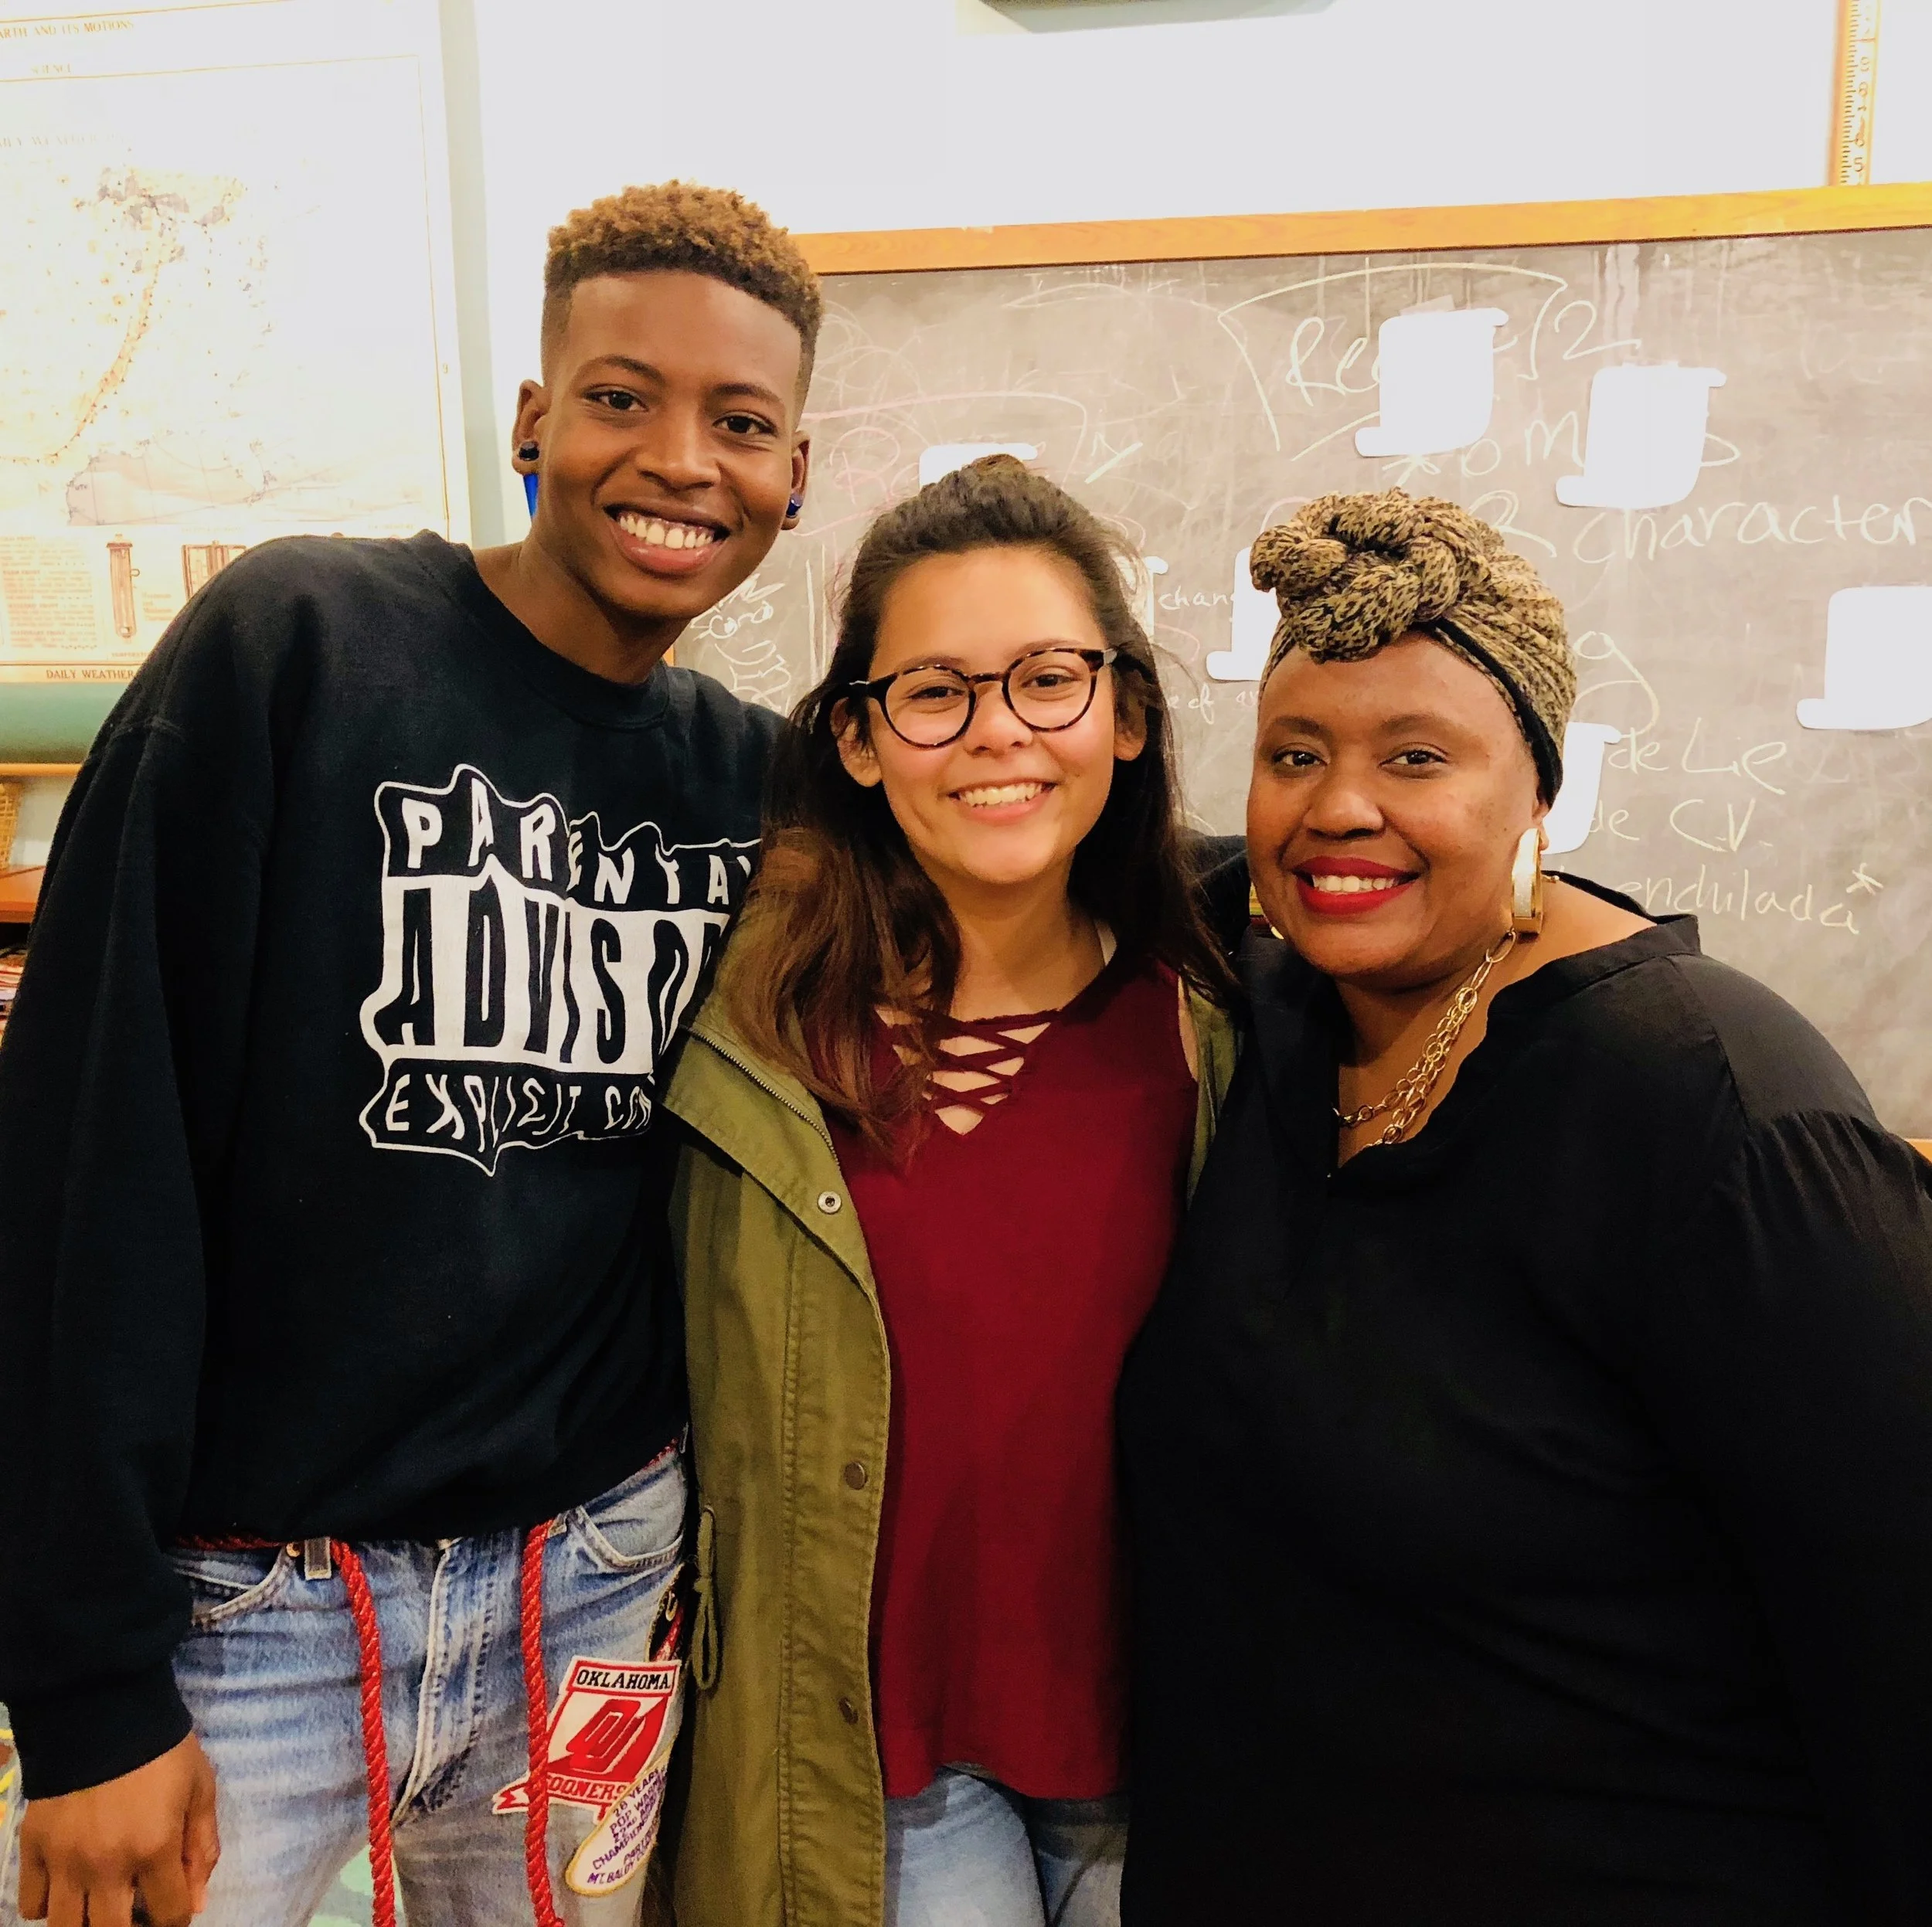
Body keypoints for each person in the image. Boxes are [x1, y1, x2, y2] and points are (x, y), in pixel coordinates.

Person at [0, 181, 821, 1927]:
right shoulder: (295, 649)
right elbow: (85, 1165)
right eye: (619, 395)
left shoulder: (751, 784)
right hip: (252, 1618)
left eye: (738, 422)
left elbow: (1035, 840)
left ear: (791, 475)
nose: (679, 458)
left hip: (587, 1591)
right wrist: (82, 1696)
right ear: (532, 420)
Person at [1117, 488, 1932, 1926]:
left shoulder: (1721, 1114)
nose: (1339, 806)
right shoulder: (1284, 1005)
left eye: (1417, 756)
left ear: (1539, 790)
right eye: (1292, 753)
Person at [661, 456, 1236, 1927]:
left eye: (1049, 678)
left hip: (1167, 1727)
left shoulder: (1224, 1016)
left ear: (1125, 712)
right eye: (934, 692)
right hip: (874, 1758)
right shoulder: (745, 1019)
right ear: (858, 740)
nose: (998, 736)